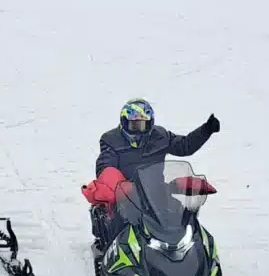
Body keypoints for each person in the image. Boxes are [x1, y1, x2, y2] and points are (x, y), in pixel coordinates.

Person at [84, 98, 220, 251]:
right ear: (124, 122)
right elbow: (105, 166)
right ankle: (115, 252)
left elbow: (184, 146)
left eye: (143, 125)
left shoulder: (160, 136)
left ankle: (188, 252)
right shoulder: (111, 140)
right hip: (126, 193)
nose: (138, 130)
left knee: (180, 214)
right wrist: (114, 181)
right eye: (134, 125)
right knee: (122, 220)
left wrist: (206, 130)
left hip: (156, 190)